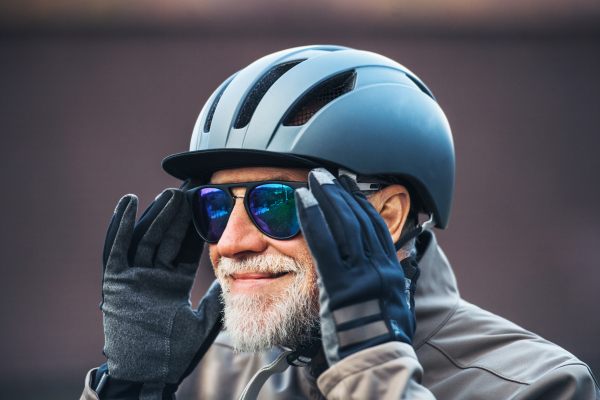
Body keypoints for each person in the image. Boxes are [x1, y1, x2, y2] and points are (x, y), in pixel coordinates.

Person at [81, 45, 599, 400]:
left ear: (388, 215)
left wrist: (371, 367)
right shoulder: (206, 372)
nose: (231, 242)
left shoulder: (537, 385)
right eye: (215, 207)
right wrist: (132, 389)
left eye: (277, 204)